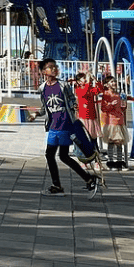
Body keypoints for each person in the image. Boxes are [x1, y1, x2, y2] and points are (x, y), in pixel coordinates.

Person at [36, 58, 99, 197]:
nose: (54, 69)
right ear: (43, 71)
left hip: (65, 125)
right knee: (61, 156)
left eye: (55, 67)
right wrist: (36, 114)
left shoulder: (63, 85)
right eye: (50, 67)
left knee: (54, 155)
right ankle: (88, 179)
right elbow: (44, 107)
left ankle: (59, 185)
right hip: (53, 126)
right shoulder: (42, 88)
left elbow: (71, 100)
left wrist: (74, 106)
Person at [100, 75, 129, 170]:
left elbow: (122, 108)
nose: (114, 83)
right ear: (107, 84)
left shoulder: (118, 94)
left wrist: (124, 104)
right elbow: (103, 108)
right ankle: (110, 161)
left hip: (119, 121)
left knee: (119, 143)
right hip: (111, 122)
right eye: (112, 82)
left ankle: (119, 161)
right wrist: (110, 105)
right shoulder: (106, 95)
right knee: (111, 142)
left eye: (115, 81)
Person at [74, 71, 103, 144]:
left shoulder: (89, 88)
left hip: (91, 115)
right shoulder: (78, 89)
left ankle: (95, 148)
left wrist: (96, 81)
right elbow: (84, 93)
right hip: (84, 116)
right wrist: (88, 82)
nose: (85, 79)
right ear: (79, 82)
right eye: (83, 78)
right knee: (86, 135)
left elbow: (100, 90)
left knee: (93, 136)